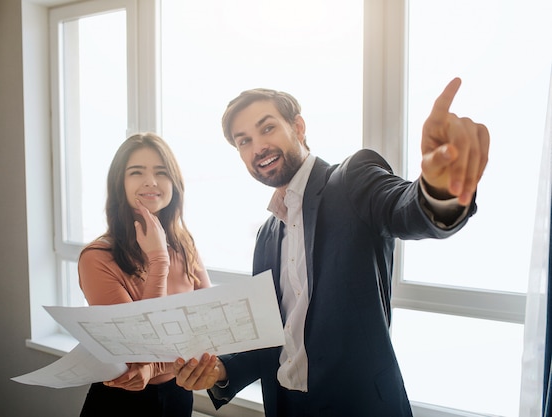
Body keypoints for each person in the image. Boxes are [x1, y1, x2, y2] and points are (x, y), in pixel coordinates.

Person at [172, 78, 489, 416]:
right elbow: (270, 338)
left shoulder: (352, 179)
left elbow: (405, 208)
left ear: (298, 126)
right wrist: (220, 370)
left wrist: (439, 190)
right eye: (244, 141)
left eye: (267, 128)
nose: (258, 147)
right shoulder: (267, 235)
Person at [78, 133, 212, 417]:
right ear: (120, 184)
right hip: (122, 400)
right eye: (136, 172)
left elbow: (207, 327)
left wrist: (155, 366)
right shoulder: (97, 258)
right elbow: (138, 349)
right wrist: (158, 260)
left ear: (173, 183)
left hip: (178, 393)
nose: (151, 181)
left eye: (161, 172)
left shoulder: (185, 243)